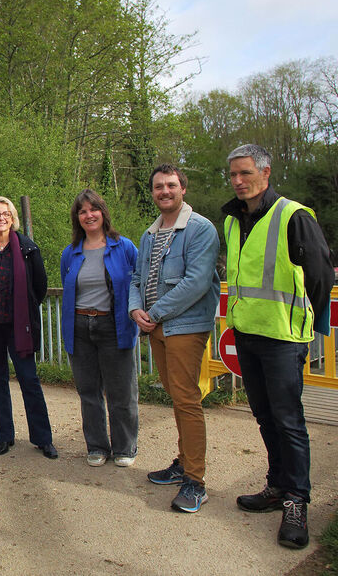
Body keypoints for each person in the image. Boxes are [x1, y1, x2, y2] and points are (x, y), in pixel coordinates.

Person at [222, 144, 334, 549]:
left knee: (288, 420)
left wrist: (306, 319)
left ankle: (296, 501)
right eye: (233, 174)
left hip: (283, 339)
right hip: (247, 335)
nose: (238, 181)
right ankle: (276, 486)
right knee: (266, 418)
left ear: (265, 174)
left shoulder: (293, 216)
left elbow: (321, 275)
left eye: (245, 173)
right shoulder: (233, 220)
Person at [129, 164, 220, 513]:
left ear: (183, 188)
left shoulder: (200, 229)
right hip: (156, 325)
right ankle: (183, 462)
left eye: (170, 185)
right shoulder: (150, 234)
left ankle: (195, 481)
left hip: (184, 325)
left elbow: (197, 283)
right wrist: (136, 310)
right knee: (174, 392)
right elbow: (137, 278)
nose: (164, 191)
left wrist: (155, 314)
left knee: (186, 398)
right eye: (157, 187)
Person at [0, 197, 58, 459]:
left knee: (29, 380)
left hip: (20, 327)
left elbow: (39, 287)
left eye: (5, 213)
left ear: (13, 217)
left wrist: (23, 312)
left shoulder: (28, 248)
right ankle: (5, 436)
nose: (0, 218)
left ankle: (43, 439)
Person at [59, 189, 140, 467]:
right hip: (80, 327)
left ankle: (125, 447)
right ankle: (96, 446)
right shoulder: (70, 253)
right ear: (77, 218)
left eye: (93, 209)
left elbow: (137, 284)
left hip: (113, 325)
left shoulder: (124, 247)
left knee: (121, 392)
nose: (88, 215)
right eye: (82, 211)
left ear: (103, 213)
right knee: (89, 392)